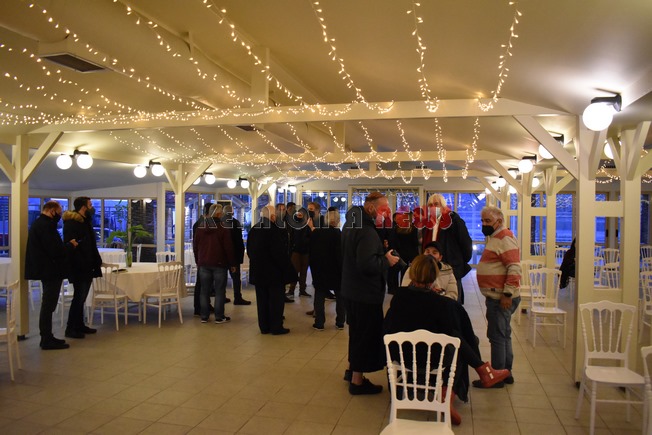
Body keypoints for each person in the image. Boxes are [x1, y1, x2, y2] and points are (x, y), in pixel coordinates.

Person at [384, 255, 510, 425]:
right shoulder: (441, 303)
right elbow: (448, 332)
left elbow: (389, 326)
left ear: (412, 273)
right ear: (433, 277)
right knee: (456, 343)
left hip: (402, 356)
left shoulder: (399, 297)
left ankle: (480, 372)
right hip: (432, 359)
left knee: (454, 338)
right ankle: (449, 395)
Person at [341, 192, 399, 395]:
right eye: (384, 209)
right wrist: (386, 260)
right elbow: (366, 264)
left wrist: (378, 250)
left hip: (351, 289)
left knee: (356, 333)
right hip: (365, 292)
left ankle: (352, 371)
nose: (386, 213)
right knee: (364, 336)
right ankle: (357, 381)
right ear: (371, 208)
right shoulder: (366, 231)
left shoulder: (350, 225)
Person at [476, 205, 521, 387]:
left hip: (500, 297)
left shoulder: (504, 238)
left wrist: (507, 293)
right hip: (497, 296)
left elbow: (514, 267)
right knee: (504, 335)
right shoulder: (496, 237)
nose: (484, 224)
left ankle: (497, 377)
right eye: (482, 220)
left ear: (499, 221)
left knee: (497, 336)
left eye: (488, 221)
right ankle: (506, 373)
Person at [25, 200, 78, 350]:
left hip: (46, 269)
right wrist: (70, 245)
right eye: (59, 212)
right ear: (52, 210)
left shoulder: (39, 224)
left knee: (48, 304)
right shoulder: (46, 226)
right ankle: (46, 338)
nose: (60, 215)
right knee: (48, 305)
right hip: (50, 271)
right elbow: (55, 250)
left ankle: (48, 336)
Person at [247, 205, 296, 335]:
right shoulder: (274, 230)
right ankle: (276, 327)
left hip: (258, 272)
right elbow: (279, 254)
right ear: (273, 217)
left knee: (262, 301)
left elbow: (250, 251)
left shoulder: (254, 229)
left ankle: (264, 327)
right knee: (276, 302)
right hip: (274, 273)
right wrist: (287, 269)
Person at [62, 197, 103, 339]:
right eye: (90, 204)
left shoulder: (86, 221)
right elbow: (72, 245)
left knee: (82, 297)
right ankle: (70, 328)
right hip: (79, 266)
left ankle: (79, 325)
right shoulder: (72, 223)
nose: (92, 207)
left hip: (88, 264)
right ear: (83, 207)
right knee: (78, 297)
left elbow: (90, 243)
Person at [421, 194, 473, 304]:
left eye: (436, 204)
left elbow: (466, 243)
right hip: (431, 267)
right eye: (430, 205)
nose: (433, 207)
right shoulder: (428, 224)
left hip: (451, 266)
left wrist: (459, 261)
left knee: (452, 301)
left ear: (443, 206)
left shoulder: (454, 221)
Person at [193, 204, 235, 324]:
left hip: (203, 263)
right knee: (219, 291)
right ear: (218, 214)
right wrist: (232, 263)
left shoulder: (200, 228)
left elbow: (195, 246)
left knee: (204, 291)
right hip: (219, 263)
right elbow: (228, 248)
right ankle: (219, 316)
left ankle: (204, 316)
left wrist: (198, 260)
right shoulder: (223, 228)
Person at [308, 208, 344, 331]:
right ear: (337, 221)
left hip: (321, 269)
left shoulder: (317, 233)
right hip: (336, 270)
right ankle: (340, 322)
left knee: (319, 296)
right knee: (340, 296)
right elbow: (341, 255)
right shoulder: (339, 235)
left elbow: (312, 252)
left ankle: (319, 323)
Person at [222, 205, 251, 305]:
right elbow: (238, 241)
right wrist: (240, 256)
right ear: (232, 212)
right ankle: (237, 297)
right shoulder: (235, 223)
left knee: (222, 278)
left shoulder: (220, 223)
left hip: (221, 256)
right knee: (236, 278)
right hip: (233, 255)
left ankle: (222, 296)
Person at [387, 210, 419, 294]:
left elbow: (393, 241)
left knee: (396, 271)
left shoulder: (397, 228)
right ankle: (404, 288)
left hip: (400, 253)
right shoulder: (413, 228)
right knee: (406, 273)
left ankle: (394, 289)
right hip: (410, 254)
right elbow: (415, 242)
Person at [192, 202, 213, 316]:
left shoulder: (201, 223)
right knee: (201, 284)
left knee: (205, 284)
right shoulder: (201, 224)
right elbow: (197, 244)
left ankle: (205, 305)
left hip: (202, 257)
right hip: (203, 257)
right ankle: (198, 307)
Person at [287, 204, 312, 299]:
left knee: (304, 271)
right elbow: (291, 238)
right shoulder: (293, 224)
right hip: (296, 251)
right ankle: (291, 290)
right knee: (294, 271)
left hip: (305, 251)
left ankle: (302, 290)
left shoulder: (307, 225)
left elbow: (310, 237)